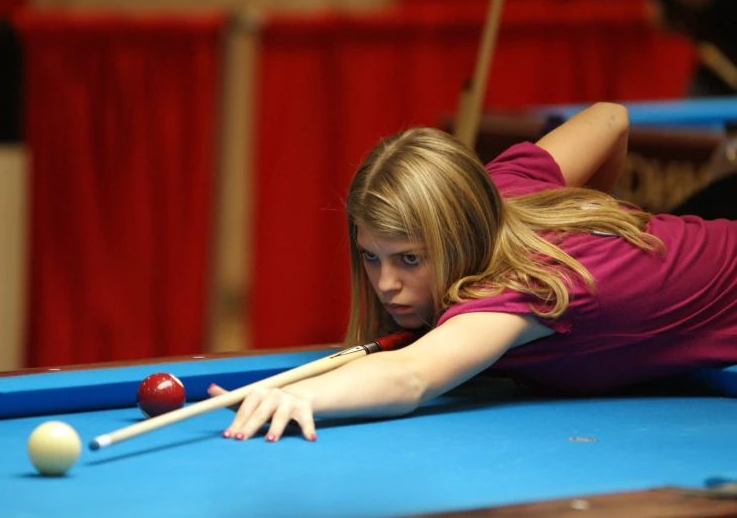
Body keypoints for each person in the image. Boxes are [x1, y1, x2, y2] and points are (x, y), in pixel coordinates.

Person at [209, 102, 737, 442]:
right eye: (371, 256)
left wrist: (304, 394)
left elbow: (411, 376)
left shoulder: (526, 288)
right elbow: (609, 118)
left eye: (410, 259)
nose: (386, 283)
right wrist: (585, 219)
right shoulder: (488, 192)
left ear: (457, 235)